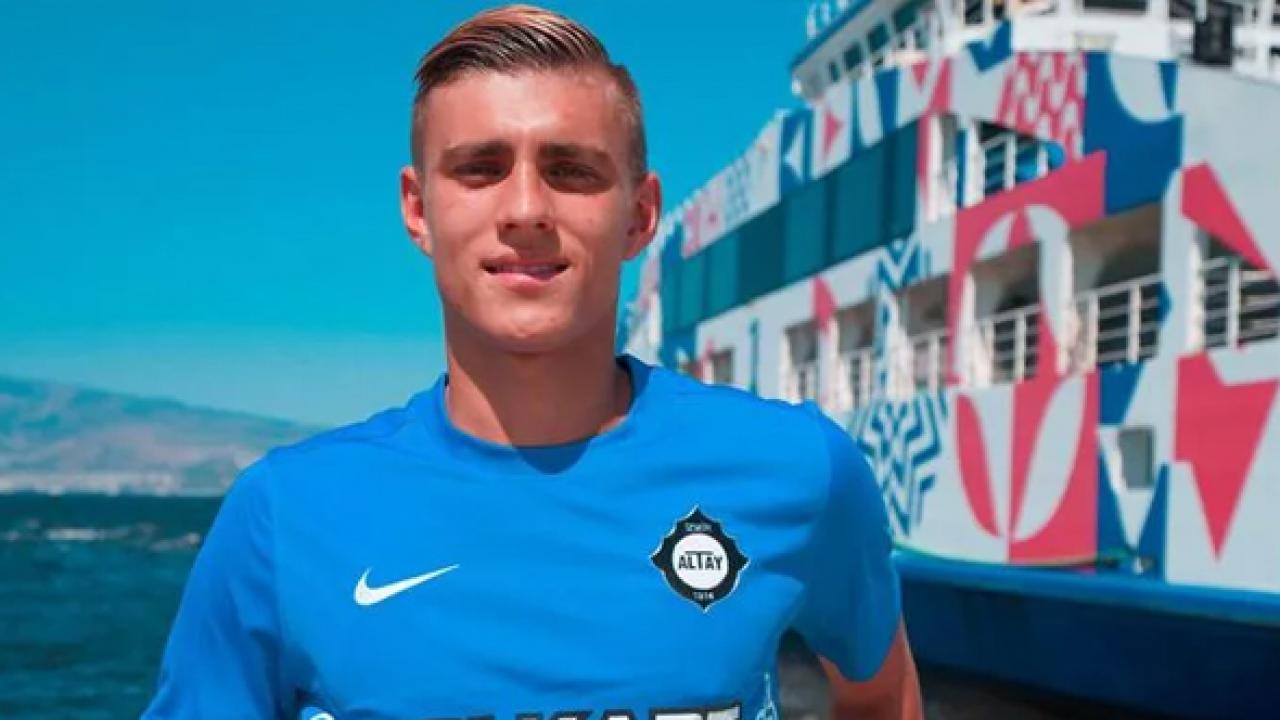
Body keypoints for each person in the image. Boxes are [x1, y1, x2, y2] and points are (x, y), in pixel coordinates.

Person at [142, 5, 922, 719]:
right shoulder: (285, 514)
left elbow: (883, 696)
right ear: (418, 208)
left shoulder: (798, 469)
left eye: (571, 170)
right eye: (480, 169)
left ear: (639, 215)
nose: (525, 210)